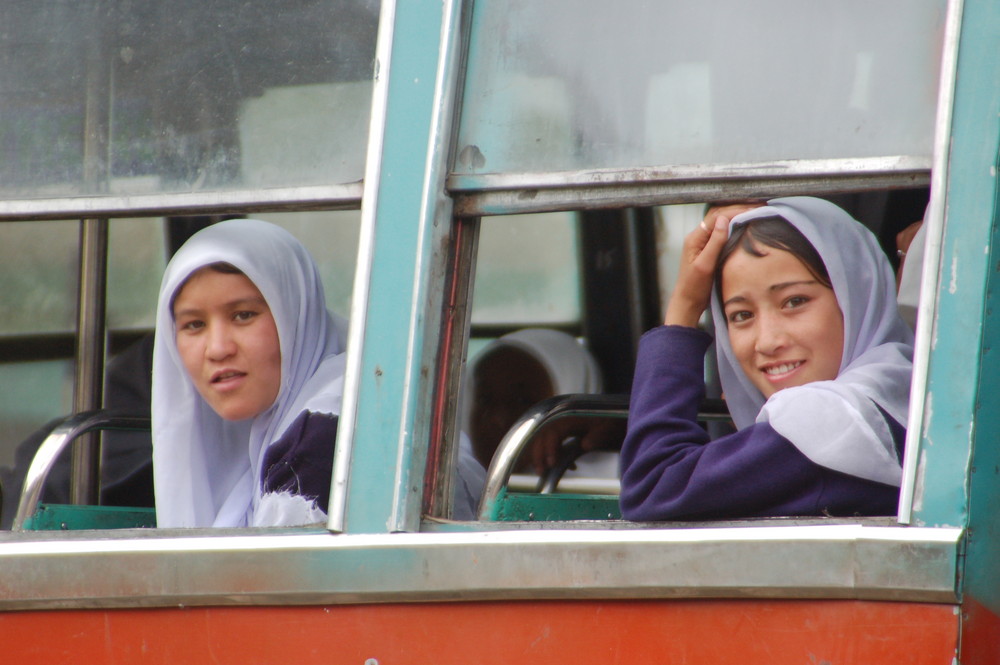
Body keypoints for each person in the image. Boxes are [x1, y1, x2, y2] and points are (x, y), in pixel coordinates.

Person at [620, 197, 913, 520]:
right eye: (741, 314)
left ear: (857, 296)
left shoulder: (831, 422)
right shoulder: (903, 387)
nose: (768, 341)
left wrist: (684, 308)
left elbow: (652, 486)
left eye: (794, 301)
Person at [152, 218, 349, 527]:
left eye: (243, 315)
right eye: (194, 325)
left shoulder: (324, 439)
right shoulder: (273, 441)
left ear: (294, 317)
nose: (218, 349)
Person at [464, 328, 618, 479]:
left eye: (522, 401)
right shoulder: (457, 488)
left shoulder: (619, 487)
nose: (497, 418)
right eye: (485, 399)